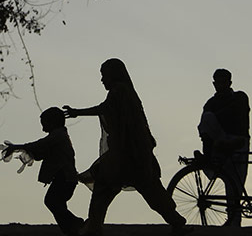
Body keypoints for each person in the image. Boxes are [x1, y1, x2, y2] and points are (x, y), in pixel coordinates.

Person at [63, 58, 190, 236]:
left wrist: (78, 112)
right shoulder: (125, 92)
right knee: (149, 190)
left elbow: (104, 109)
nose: (102, 80)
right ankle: (176, 221)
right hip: (135, 153)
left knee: (105, 188)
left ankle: (94, 227)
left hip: (126, 154)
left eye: (104, 75)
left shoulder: (119, 92)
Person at [2, 107, 84, 236]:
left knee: (52, 201)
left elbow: (39, 145)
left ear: (52, 122)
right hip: (65, 178)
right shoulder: (59, 136)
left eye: (45, 124)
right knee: (56, 203)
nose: (43, 128)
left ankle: (76, 225)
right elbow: (40, 152)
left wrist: (18, 147)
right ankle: (73, 229)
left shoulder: (58, 136)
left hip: (65, 177)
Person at [198, 68, 250, 227]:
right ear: (214, 84)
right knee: (207, 119)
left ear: (229, 83)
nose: (219, 85)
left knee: (235, 184)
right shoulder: (211, 103)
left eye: (223, 82)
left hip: (238, 141)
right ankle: (208, 157)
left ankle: (234, 222)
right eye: (217, 82)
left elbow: (239, 114)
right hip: (221, 142)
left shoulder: (240, 97)